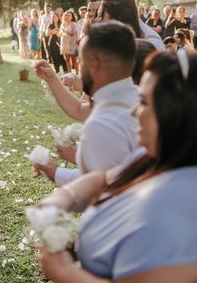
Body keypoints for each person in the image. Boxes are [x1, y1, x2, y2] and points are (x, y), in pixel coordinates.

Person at [37, 50, 197, 283]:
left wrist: (62, 271)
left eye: (143, 102)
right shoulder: (160, 154)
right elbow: (104, 178)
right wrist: (61, 199)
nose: (133, 112)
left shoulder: (192, 206)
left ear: (176, 113)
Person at [34, 21, 139, 186]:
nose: (79, 68)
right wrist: (53, 80)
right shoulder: (136, 97)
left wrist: (54, 172)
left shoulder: (101, 124)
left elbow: (97, 186)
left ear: (94, 64)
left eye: (81, 61)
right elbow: (78, 109)